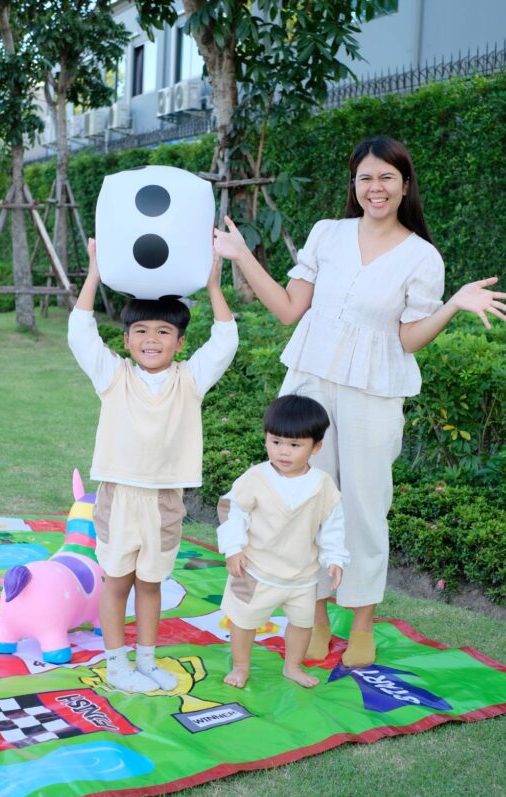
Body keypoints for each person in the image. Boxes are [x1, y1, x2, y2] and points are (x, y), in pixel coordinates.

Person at [213, 135, 506, 669]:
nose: (376, 187)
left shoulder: (422, 256)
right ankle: (314, 617)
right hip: (310, 382)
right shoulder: (327, 233)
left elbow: (409, 339)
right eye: (365, 177)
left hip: (374, 392)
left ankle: (363, 624)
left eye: (386, 177)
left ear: (405, 185)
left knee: (365, 508)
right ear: (354, 184)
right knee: (301, 500)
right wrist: (241, 256)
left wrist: (453, 305)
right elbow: (288, 309)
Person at [68, 239, 238, 693]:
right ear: (125, 340)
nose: (151, 339)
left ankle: (146, 660)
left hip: (164, 499)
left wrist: (214, 285)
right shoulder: (114, 376)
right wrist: (94, 272)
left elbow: (225, 340)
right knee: (117, 581)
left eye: (163, 332)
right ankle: (116, 664)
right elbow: (80, 332)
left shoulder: (191, 380)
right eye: (140, 331)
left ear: (180, 342)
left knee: (150, 583)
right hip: (119, 496)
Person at [217, 394, 349, 689]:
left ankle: (293, 666)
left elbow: (332, 525)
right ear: (266, 438)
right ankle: (240, 666)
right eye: (276, 442)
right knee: (243, 621)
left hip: (301, 575)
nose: (283, 452)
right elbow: (232, 510)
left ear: (316, 447)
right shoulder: (256, 477)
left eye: (295, 445)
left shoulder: (322, 485)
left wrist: (335, 558)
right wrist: (233, 548)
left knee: (303, 624)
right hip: (253, 570)